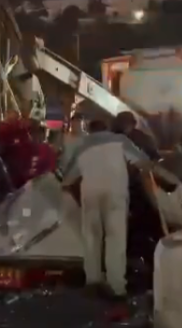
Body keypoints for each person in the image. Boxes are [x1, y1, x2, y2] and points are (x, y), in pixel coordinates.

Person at [61, 118, 152, 300]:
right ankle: (116, 286)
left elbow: (68, 178)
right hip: (116, 194)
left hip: (90, 195)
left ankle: (93, 281)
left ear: (89, 130)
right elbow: (143, 161)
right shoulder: (120, 141)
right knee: (115, 238)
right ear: (107, 127)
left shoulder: (82, 146)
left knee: (92, 238)